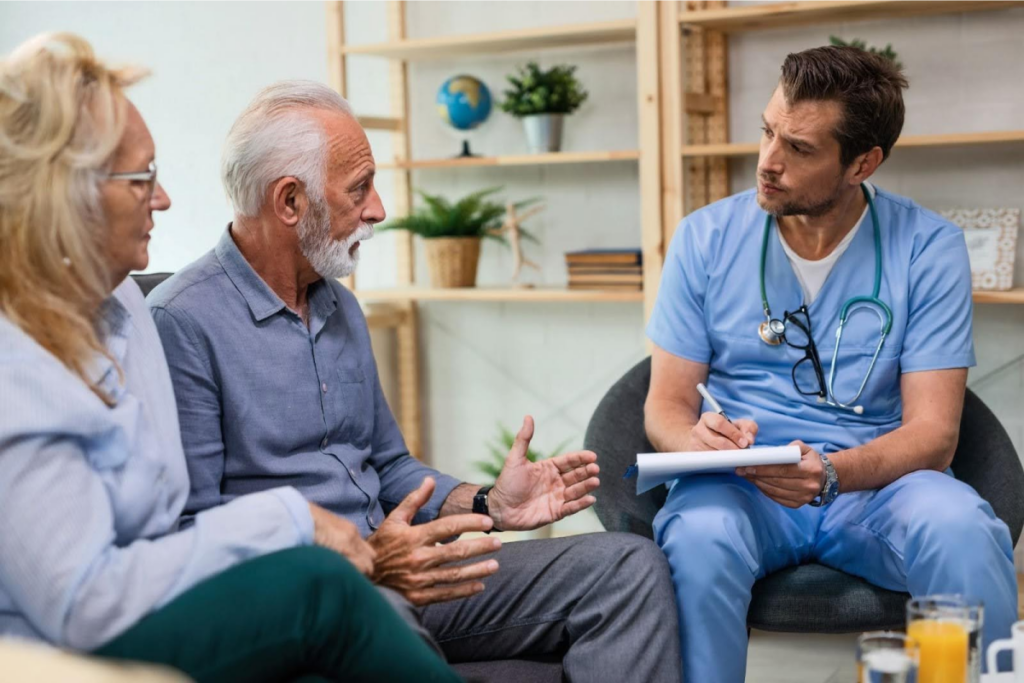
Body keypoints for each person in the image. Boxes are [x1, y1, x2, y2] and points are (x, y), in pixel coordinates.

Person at [148, 80, 682, 682]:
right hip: (320, 595)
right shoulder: (180, 323)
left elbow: (390, 465)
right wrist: (362, 563)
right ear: (290, 201)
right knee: (379, 617)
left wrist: (489, 503)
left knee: (629, 570)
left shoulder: (339, 306)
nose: (378, 209)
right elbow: (193, 528)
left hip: (410, 568)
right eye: (359, 189)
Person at [0, 33, 463, 683]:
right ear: (64, 195)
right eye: (143, 178)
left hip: (170, 598)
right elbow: (84, 604)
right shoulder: (18, 368)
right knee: (321, 587)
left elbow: (167, 522)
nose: (163, 199)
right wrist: (291, 520)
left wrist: (486, 501)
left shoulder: (124, 305)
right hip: (65, 650)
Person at [645, 44, 1019, 682]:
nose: (767, 162)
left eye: (800, 148)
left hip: (878, 489)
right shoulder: (704, 239)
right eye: (767, 132)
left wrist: (833, 475)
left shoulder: (928, 248)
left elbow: (934, 433)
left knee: (961, 529)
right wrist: (697, 442)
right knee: (699, 540)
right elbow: (665, 407)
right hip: (742, 487)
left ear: (862, 163)